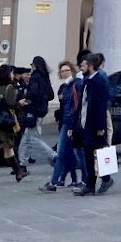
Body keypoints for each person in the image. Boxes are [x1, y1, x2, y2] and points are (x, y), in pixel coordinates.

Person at [72, 52, 114, 195]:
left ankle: (105, 179)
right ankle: (91, 183)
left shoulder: (98, 81)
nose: (81, 68)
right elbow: (82, 104)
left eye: (83, 65)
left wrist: (101, 127)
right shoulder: (87, 80)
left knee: (98, 153)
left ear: (90, 66)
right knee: (89, 153)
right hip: (85, 123)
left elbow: (101, 106)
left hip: (94, 124)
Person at [42, 61, 82, 191]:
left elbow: (72, 108)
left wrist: (70, 126)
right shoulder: (64, 87)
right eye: (62, 71)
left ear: (72, 71)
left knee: (64, 153)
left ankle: (54, 182)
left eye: (67, 70)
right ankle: (74, 180)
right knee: (68, 153)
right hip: (65, 123)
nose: (64, 72)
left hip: (69, 124)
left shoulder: (73, 85)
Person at [19, 55, 57, 166]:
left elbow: (33, 92)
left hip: (33, 109)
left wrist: (26, 98)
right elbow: (50, 95)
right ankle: (22, 163)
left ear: (35, 65)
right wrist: (43, 99)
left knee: (33, 138)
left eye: (31, 64)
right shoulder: (45, 77)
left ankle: (53, 155)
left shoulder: (35, 77)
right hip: (42, 109)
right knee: (27, 136)